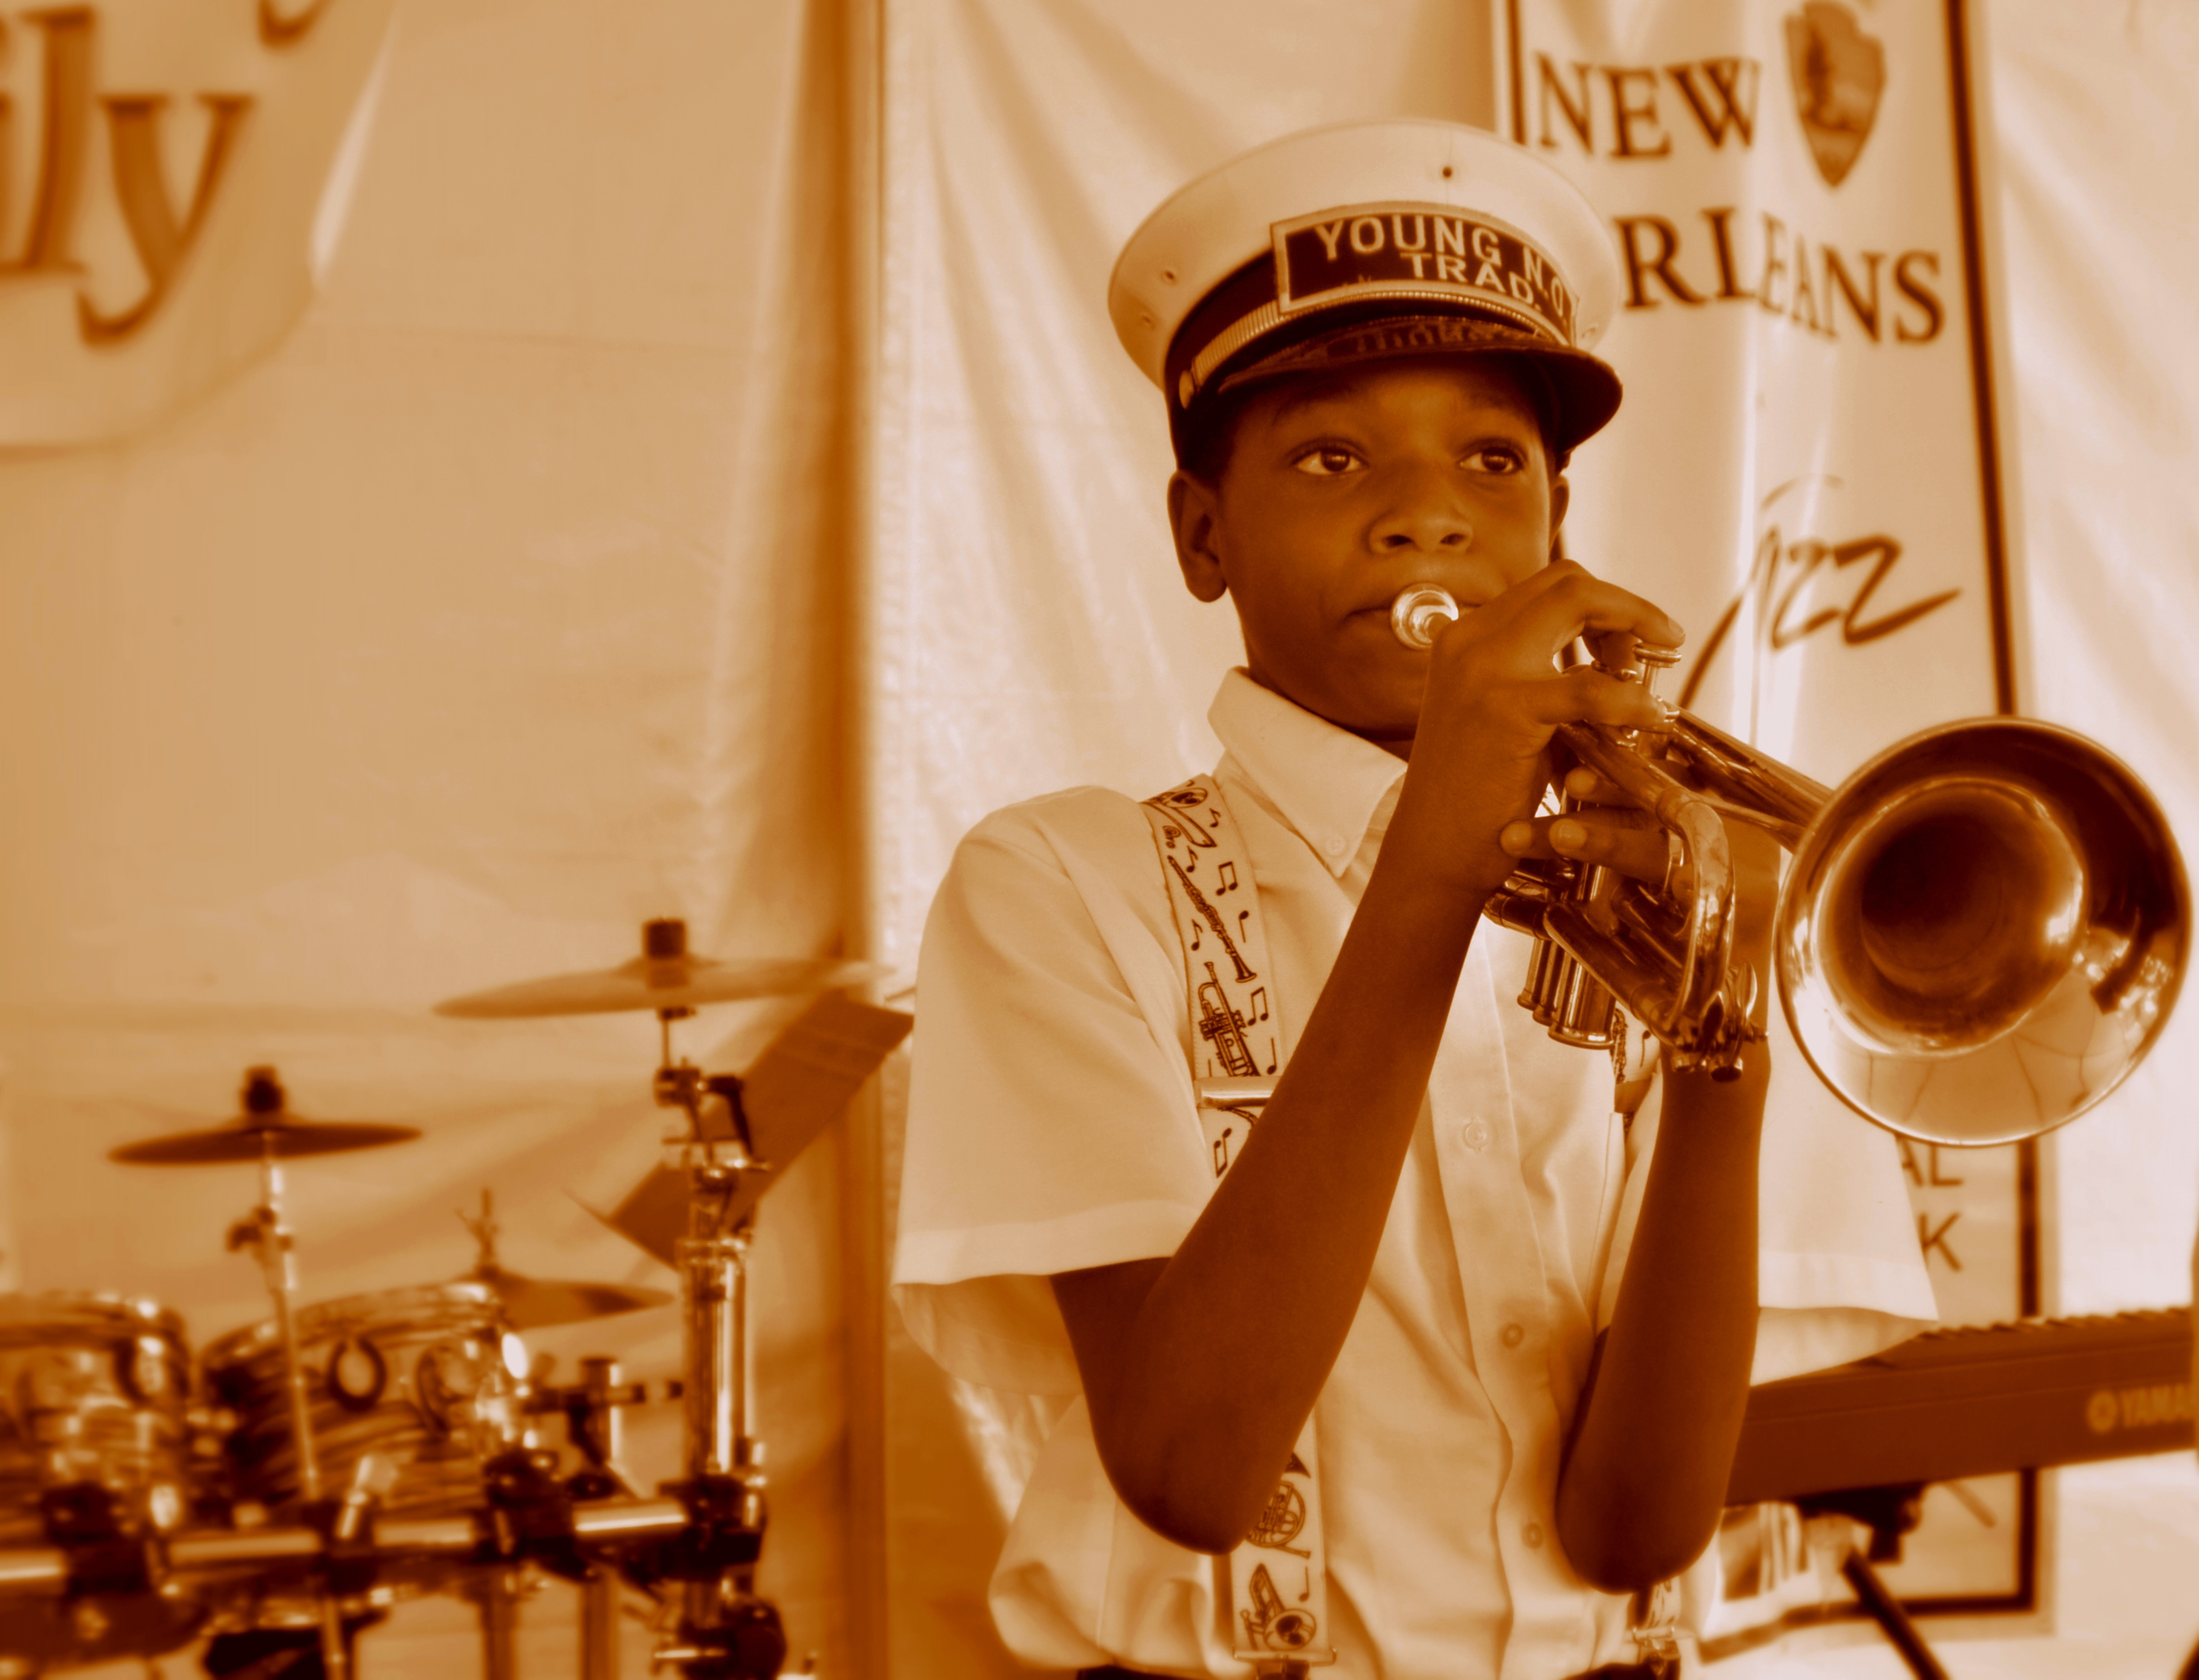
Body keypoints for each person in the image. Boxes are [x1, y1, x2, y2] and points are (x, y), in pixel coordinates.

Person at [893, 119, 1933, 1680]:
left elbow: (1638, 1533)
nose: (1424, 513)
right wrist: (1432, 867)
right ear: (1202, 536)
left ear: (1554, 537)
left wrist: (1726, 1047)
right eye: (1330, 456)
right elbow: (1191, 1473)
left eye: (1493, 461)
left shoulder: (1652, 882)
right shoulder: (1055, 886)